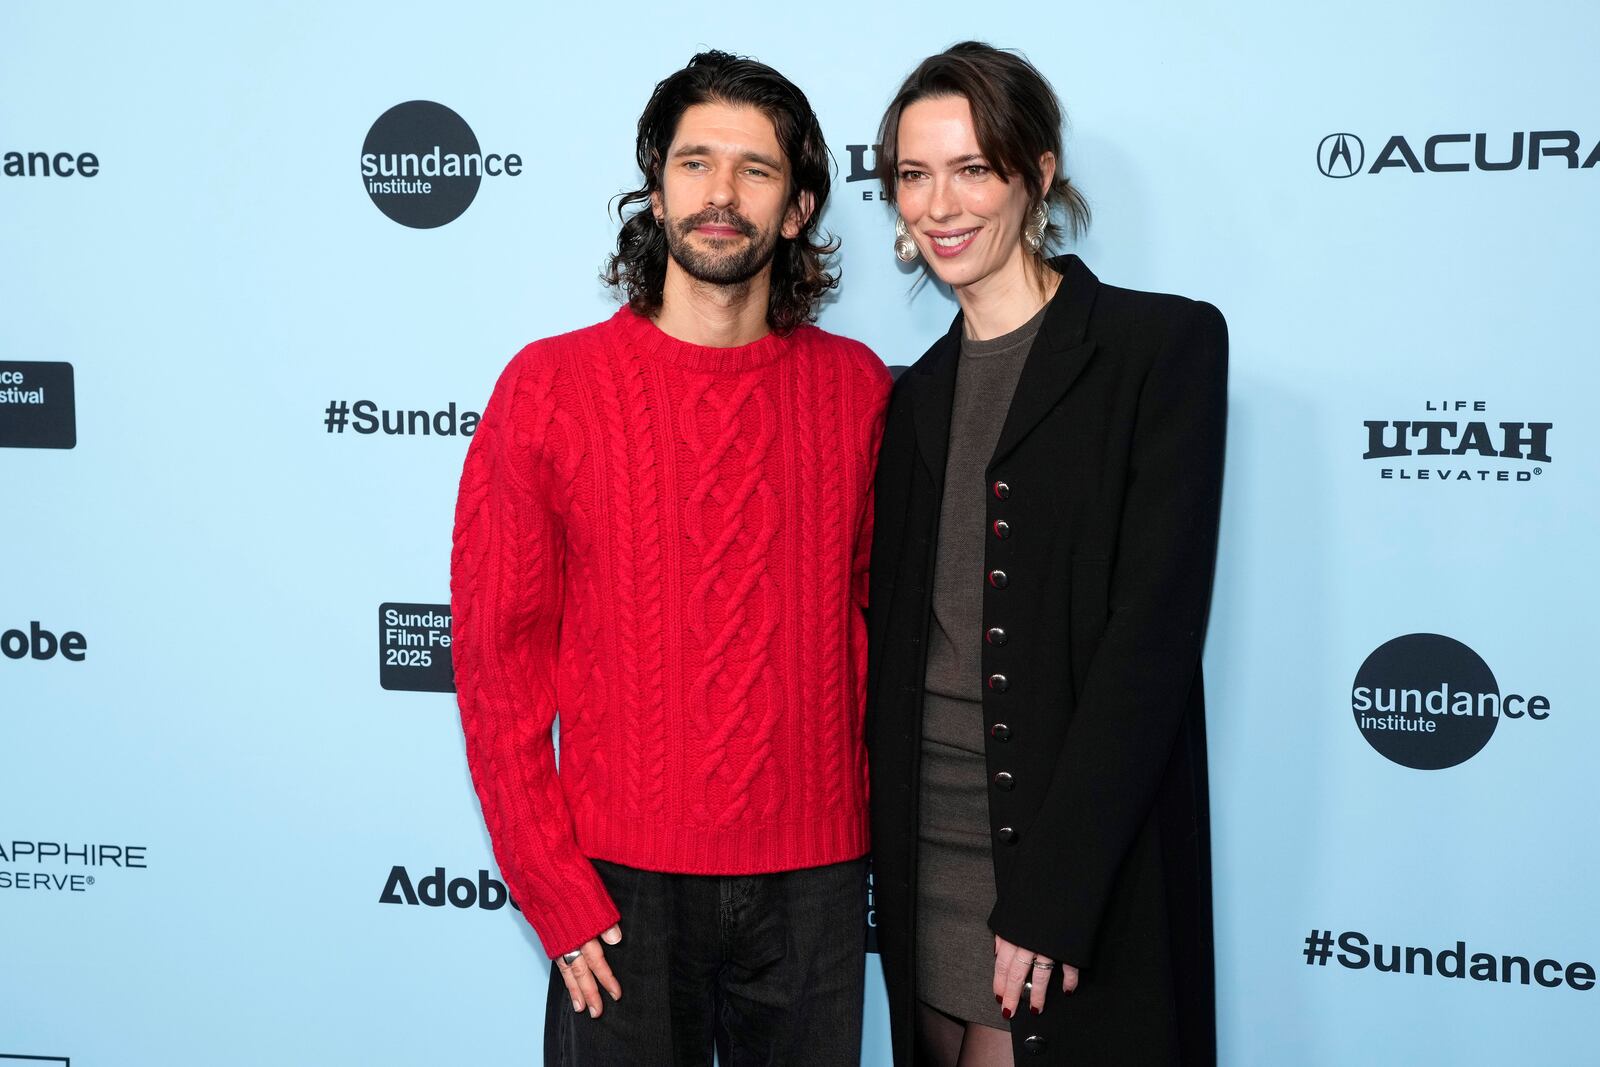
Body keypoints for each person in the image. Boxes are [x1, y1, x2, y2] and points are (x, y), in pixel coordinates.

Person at [450, 51, 889, 1066]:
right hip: (617, 887)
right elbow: (495, 659)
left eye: (755, 169)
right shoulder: (550, 386)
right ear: (656, 193)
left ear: (798, 208)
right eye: (694, 164)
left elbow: (887, 625)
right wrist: (551, 884)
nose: (720, 194)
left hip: (816, 885)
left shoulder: (860, 390)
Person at [865, 42, 1227, 1066]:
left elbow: (1148, 643)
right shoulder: (911, 397)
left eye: (972, 167)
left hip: (1068, 872)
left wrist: (1056, 897)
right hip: (921, 852)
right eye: (913, 173)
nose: (940, 203)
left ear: (1038, 171)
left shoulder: (1160, 351)